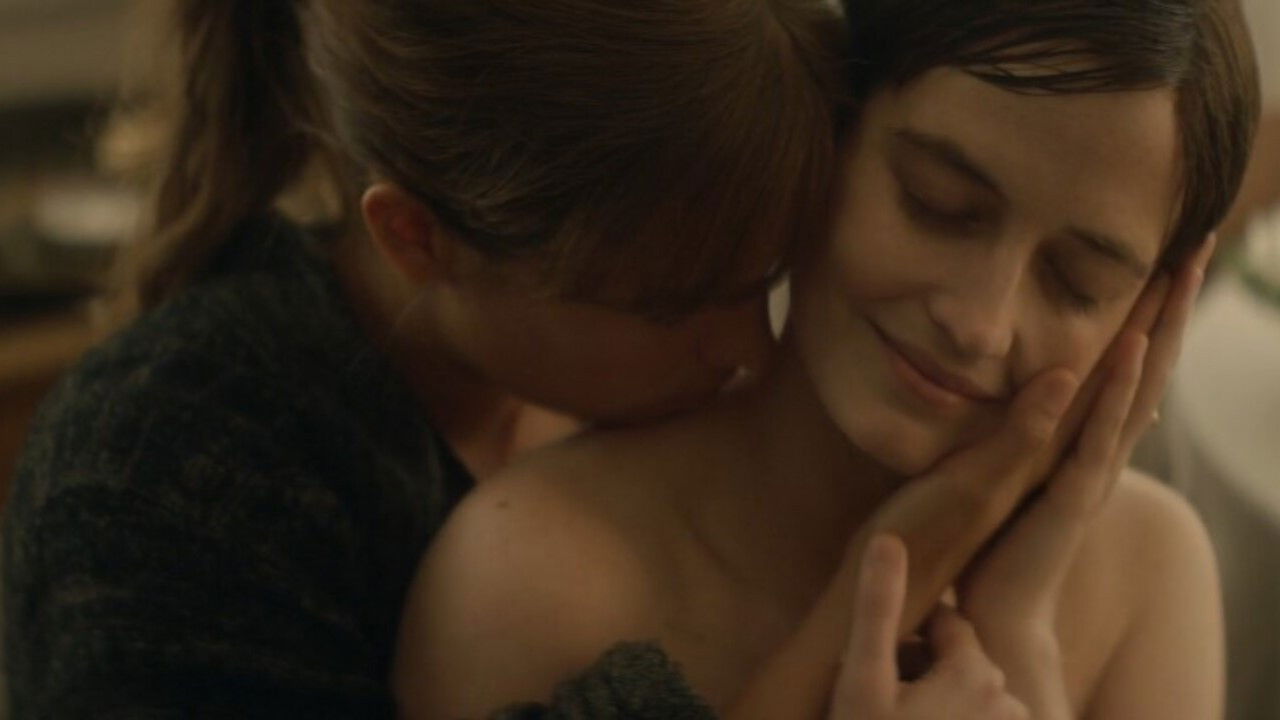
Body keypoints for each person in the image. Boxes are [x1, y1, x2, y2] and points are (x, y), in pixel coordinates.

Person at [394, 0, 1260, 718]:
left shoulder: (1152, 573)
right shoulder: (533, 579)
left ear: (1152, 310)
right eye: (937, 204)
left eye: (1077, 283)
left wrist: (1018, 636)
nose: (980, 324)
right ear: (830, 134)